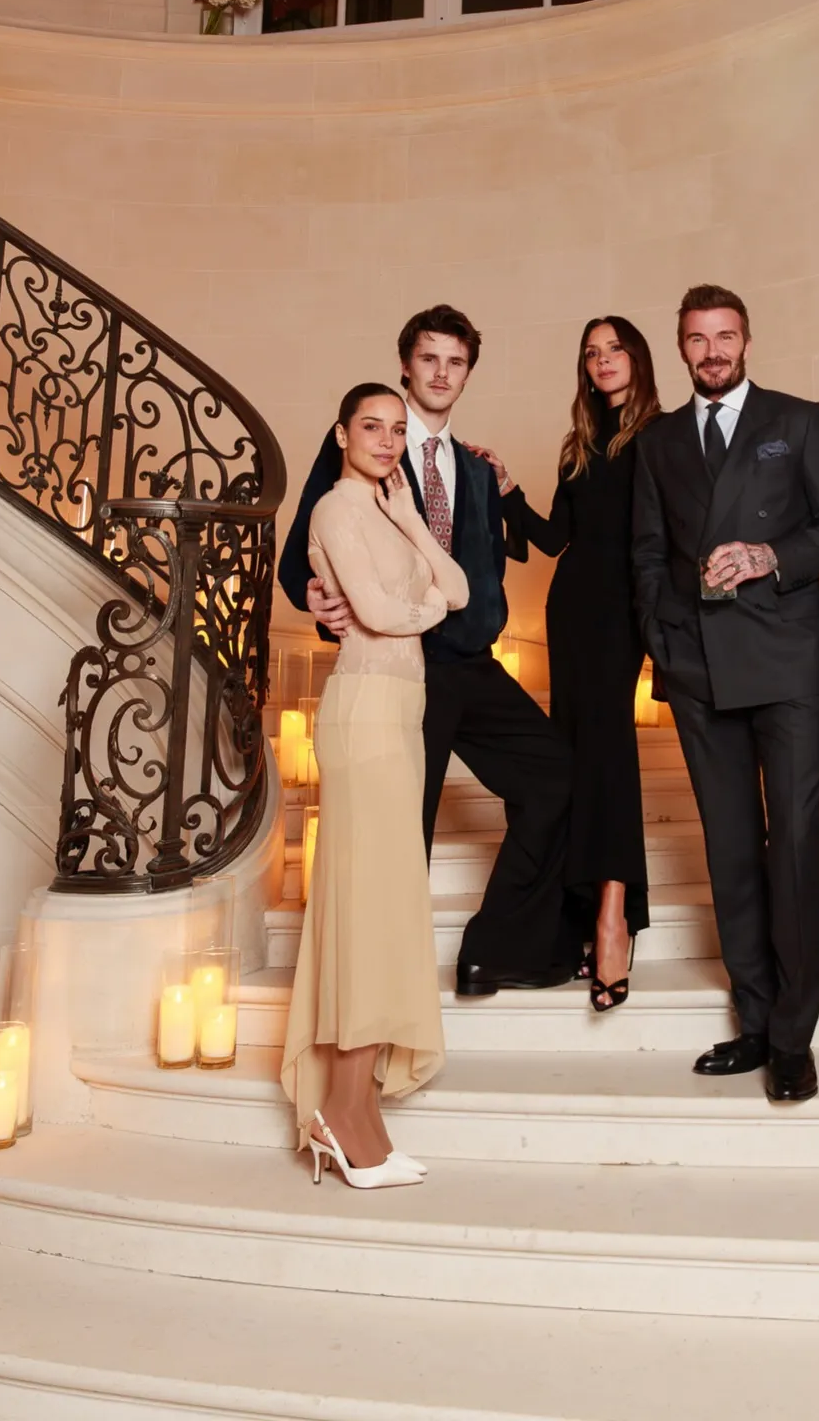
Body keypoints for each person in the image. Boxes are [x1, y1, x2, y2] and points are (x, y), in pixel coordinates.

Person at [279, 306, 575, 998]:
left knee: (555, 776)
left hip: (469, 663)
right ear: (406, 364)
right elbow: (303, 555)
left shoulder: (475, 471)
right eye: (429, 358)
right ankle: (378, 995)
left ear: (468, 372)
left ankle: (495, 950)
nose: (442, 372)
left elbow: (477, 568)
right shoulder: (366, 442)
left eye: (456, 361)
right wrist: (317, 600)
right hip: (395, 666)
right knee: (399, 832)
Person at [633, 284, 819, 1101]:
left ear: (748, 341)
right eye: (698, 338)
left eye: (726, 336)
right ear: (683, 347)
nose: (713, 350)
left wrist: (768, 557)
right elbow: (646, 555)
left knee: (793, 842)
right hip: (697, 666)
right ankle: (755, 1019)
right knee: (729, 847)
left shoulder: (798, 421)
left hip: (786, 657)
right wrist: (665, 638)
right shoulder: (657, 442)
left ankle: (794, 1037)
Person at [281, 383, 466, 1190]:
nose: (388, 440)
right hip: (363, 708)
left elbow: (454, 590)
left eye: (398, 429)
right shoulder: (332, 509)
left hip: (402, 708)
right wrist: (414, 601)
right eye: (372, 427)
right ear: (341, 431)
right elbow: (382, 614)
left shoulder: (390, 508)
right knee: (367, 906)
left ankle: (354, 1107)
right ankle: (342, 1110)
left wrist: (415, 532)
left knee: (385, 903)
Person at [475, 317, 662, 1013]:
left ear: (637, 359)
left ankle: (614, 914)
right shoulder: (579, 445)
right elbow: (555, 540)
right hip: (572, 609)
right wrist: (505, 490)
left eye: (614, 349)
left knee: (610, 756)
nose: (603, 360)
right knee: (579, 759)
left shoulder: (662, 437)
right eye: (592, 353)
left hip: (625, 613)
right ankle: (583, 909)